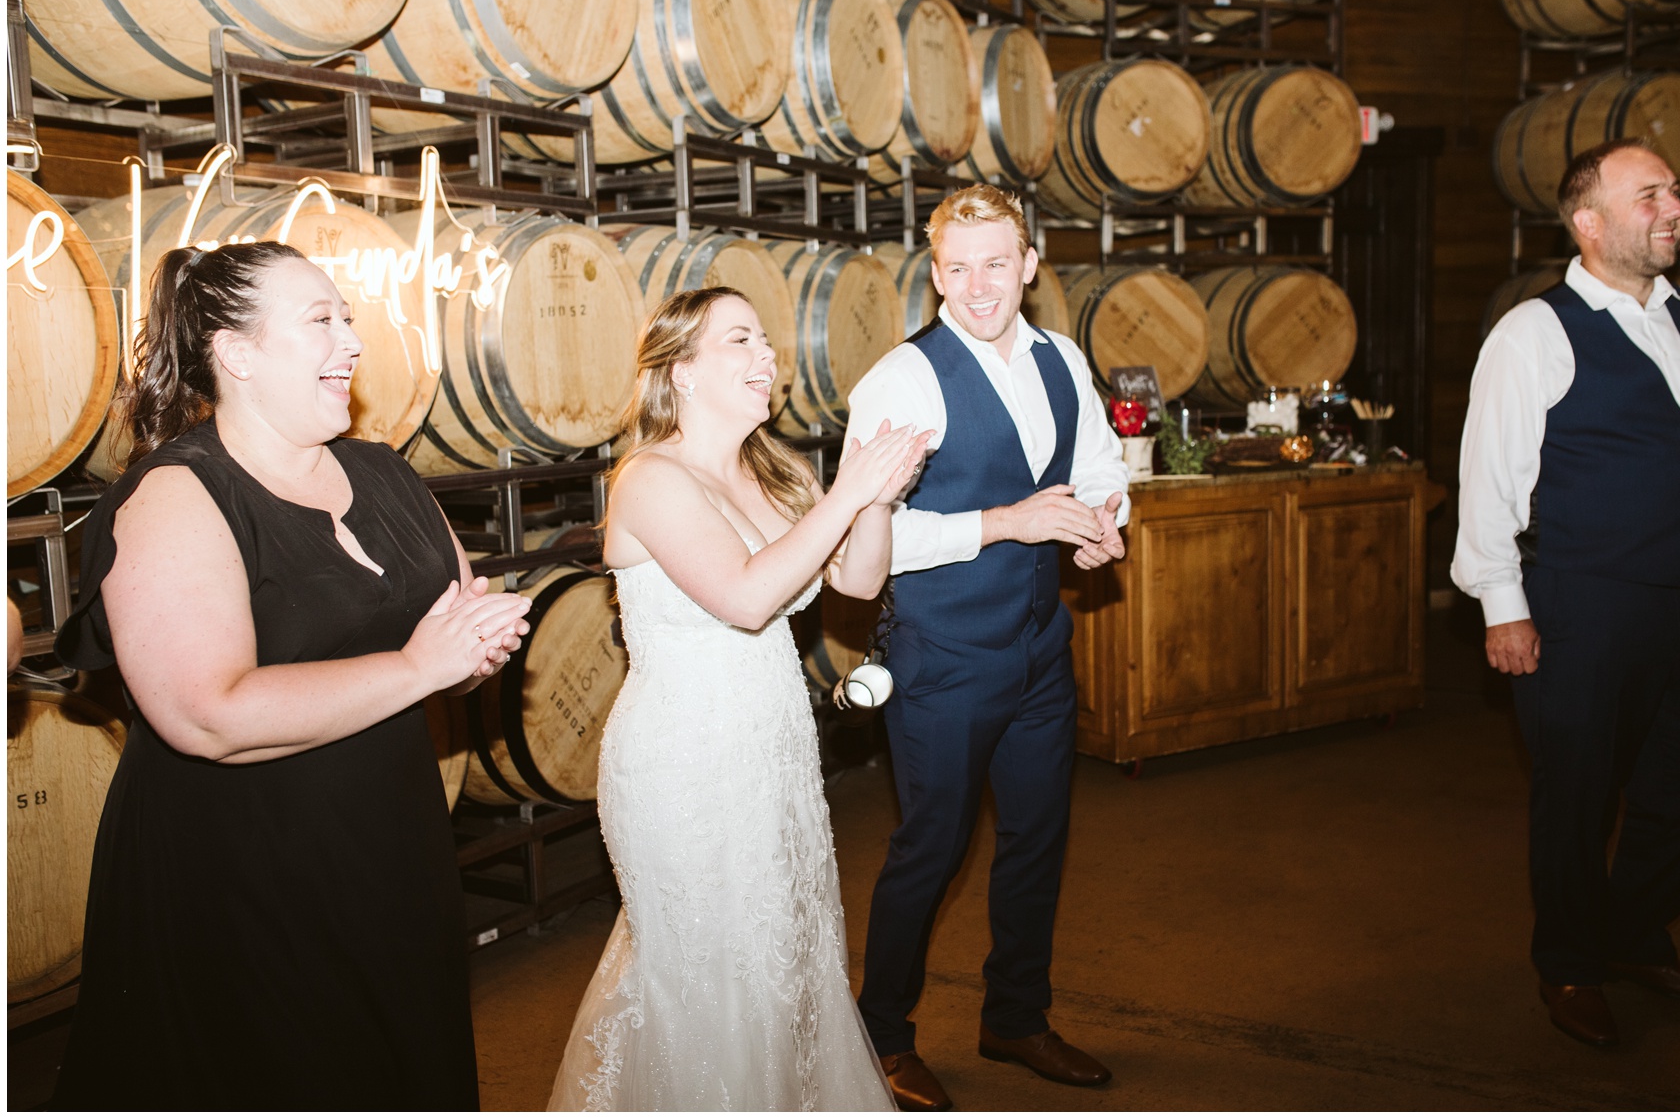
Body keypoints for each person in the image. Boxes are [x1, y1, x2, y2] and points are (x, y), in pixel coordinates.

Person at [51, 241, 532, 1108]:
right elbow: (207, 714)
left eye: (347, 319)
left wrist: (471, 655)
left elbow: (446, 639)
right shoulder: (177, 494)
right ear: (235, 354)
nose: (351, 341)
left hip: (390, 842)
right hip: (243, 868)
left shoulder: (383, 471)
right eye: (321, 322)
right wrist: (423, 664)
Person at [547, 287, 927, 1111]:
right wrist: (845, 492)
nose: (768, 358)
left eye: (767, 342)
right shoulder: (650, 479)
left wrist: (880, 494)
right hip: (682, 760)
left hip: (772, 747)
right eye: (741, 340)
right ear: (681, 371)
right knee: (705, 970)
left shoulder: (770, 469)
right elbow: (749, 599)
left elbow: (856, 581)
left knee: (784, 956)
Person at [843, 184, 1130, 1111]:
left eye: (996, 263)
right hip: (944, 653)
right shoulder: (902, 382)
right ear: (934, 274)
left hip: (1043, 642)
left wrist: (1099, 523)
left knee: (1040, 837)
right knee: (931, 847)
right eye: (957, 268)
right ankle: (882, 1038)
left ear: (1030, 266)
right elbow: (867, 544)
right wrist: (1008, 522)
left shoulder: (1061, 357)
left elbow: (1094, 470)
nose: (978, 286)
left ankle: (1015, 1017)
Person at [1452, 138, 1680, 1048]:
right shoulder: (1534, 333)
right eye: (1650, 195)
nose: (1673, 208)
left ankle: (1631, 931)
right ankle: (1570, 961)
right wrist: (1502, 605)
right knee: (1579, 798)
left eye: (1674, 192)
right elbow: (1490, 482)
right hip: (1583, 605)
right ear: (1590, 224)